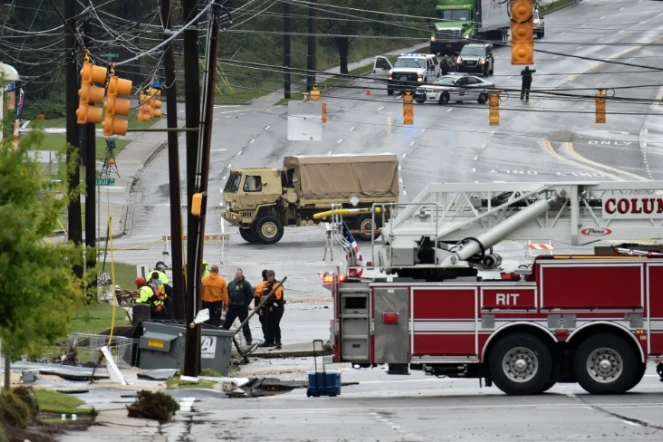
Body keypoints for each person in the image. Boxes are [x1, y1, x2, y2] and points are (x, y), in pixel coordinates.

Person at [222, 268, 253, 345]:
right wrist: (227, 304)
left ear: (241, 274)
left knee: (245, 324)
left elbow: (251, 295)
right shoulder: (231, 284)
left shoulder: (246, 284)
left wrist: (246, 304)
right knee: (226, 324)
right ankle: (221, 337)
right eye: (236, 274)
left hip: (242, 308)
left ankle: (248, 340)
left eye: (238, 274)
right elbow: (227, 294)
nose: (237, 275)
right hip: (232, 307)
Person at [254, 269, 285, 349]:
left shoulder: (277, 285)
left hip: (277, 308)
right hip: (268, 307)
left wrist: (273, 307)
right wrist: (261, 308)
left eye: (270, 276)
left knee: (275, 324)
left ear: (273, 276)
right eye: (268, 276)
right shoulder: (266, 285)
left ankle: (278, 341)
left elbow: (279, 299)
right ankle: (269, 341)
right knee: (268, 325)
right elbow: (263, 298)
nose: (269, 277)